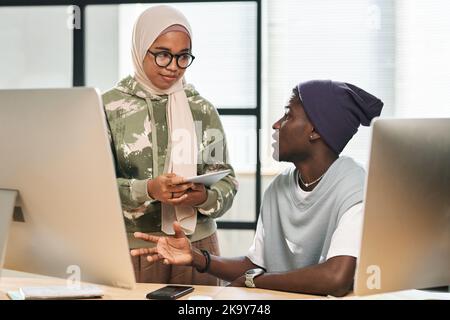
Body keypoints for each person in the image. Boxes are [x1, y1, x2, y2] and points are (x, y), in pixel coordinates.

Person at [130, 80, 384, 296]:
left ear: (315, 130)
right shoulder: (280, 187)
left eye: (288, 115)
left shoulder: (354, 184)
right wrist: (198, 258)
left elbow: (336, 278)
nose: (276, 124)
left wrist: (255, 281)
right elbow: (254, 264)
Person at [102, 5, 238, 285]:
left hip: (196, 250)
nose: (174, 67)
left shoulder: (202, 109)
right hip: (131, 248)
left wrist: (201, 197)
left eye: (183, 56)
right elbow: (92, 186)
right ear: (141, 48)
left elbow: (227, 184)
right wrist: (149, 189)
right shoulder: (109, 107)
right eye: (163, 55)